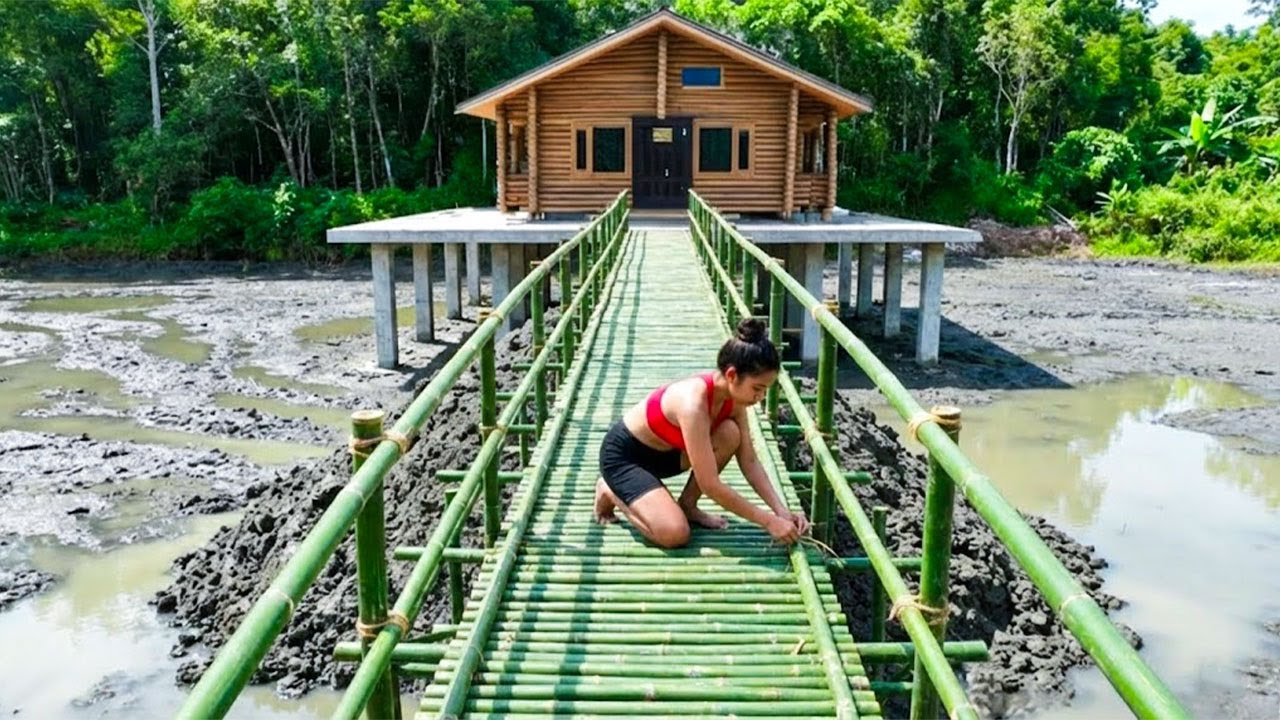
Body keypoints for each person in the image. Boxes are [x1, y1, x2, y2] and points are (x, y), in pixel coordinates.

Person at [594, 317, 809, 549]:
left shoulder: (734, 399)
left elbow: (749, 461)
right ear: (731, 376)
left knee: (730, 433)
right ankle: (610, 489)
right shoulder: (692, 404)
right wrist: (768, 522)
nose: (760, 398)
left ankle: (688, 505)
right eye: (757, 389)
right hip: (626, 459)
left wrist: (781, 512)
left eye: (765, 390)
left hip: (668, 455)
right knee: (674, 534)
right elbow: (710, 484)